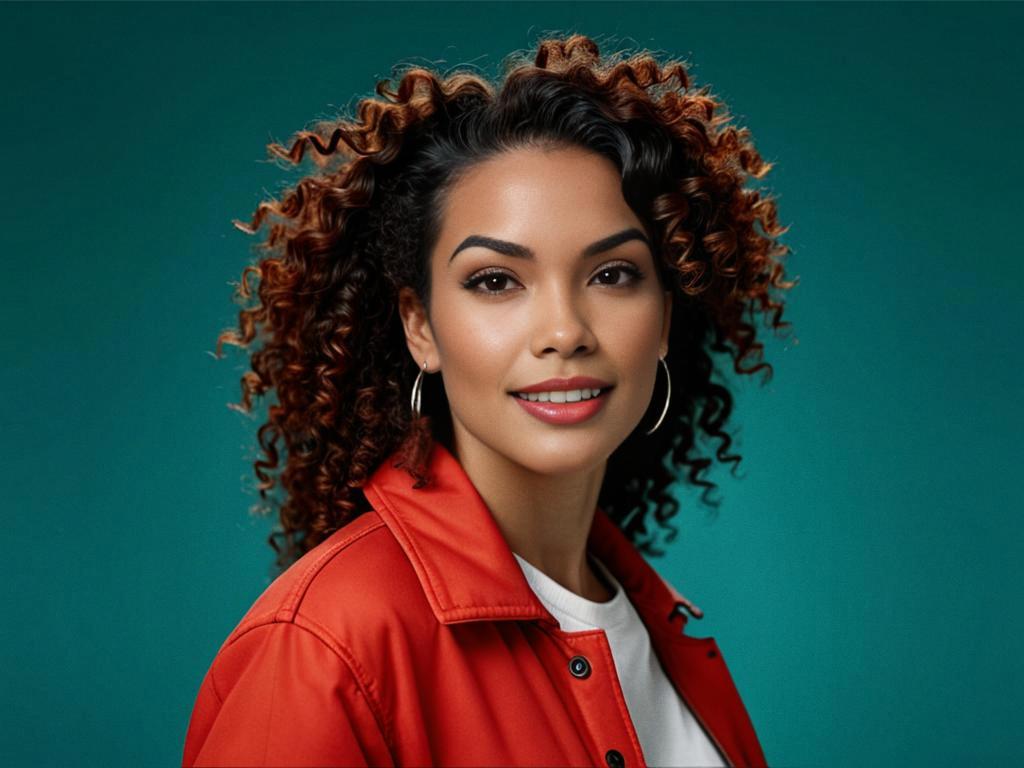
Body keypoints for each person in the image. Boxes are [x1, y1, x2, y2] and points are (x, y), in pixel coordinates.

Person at [182, 32, 795, 768]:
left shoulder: (662, 632)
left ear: (664, 318)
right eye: (496, 281)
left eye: (612, 275)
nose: (564, 331)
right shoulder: (327, 646)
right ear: (421, 327)